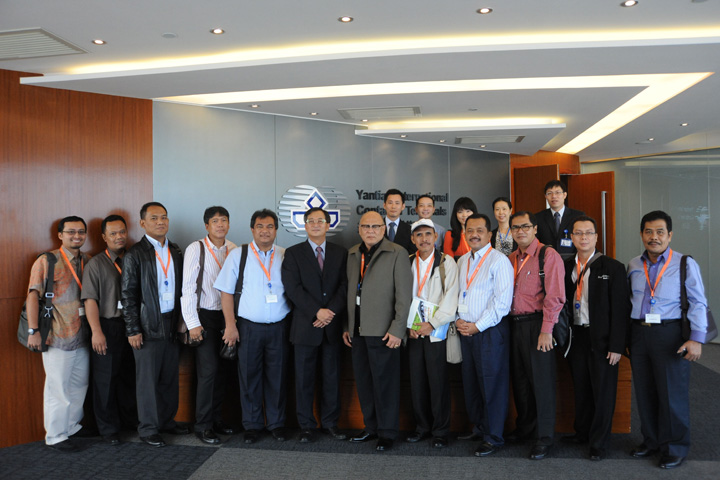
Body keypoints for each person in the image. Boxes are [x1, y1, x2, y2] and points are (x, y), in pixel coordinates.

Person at [627, 210, 711, 469]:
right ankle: (651, 441)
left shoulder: (684, 263)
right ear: (642, 234)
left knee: (671, 393)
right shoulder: (632, 265)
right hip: (640, 334)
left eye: (660, 232)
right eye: (649, 232)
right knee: (645, 392)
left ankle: (675, 446)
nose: (654, 237)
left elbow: (698, 301)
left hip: (670, 333)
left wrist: (696, 338)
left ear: (670, 235)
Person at [214, 209, 291, 444]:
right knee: (249, 376)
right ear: (252, 229)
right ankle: (252, 425)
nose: (265, 231)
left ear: (276, 230)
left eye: (269, 226)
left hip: (279, 326)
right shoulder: (239, 255)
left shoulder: (285, 255)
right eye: (260, 226)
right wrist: (230, 326)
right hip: (248, 327)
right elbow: (226, 293)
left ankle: (277, 424)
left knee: (277, 377)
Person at [562, 215, 630, 461]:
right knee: (581, 388)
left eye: (588, 233)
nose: (583, 237)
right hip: (576, 335)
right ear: (571, 237)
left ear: (596, 237)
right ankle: (583, 433)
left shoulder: (612, 267)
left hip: (602, 339)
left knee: (603, 392)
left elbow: (621, 310)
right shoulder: (567, 265)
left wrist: (616, 345)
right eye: (578, 233)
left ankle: (599, 443)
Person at [344, 211, 412, 452]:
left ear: (383, 229)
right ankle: (371, 427)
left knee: (386, 385)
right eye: (365, 226)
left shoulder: (397, 252)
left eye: (375, 226)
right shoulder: (353, 254)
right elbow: (349, 294)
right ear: (359, 229)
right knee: (364, 382)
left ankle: (387, 431)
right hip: (358, 332)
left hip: (384, 332)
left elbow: (405, 297)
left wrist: (397, 330)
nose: (370, 230)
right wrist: (347, 326)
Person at [122, 202, 188, 447]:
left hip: (172, 322)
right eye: (154, 218)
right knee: (147, 381)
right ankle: (148, 428)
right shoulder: (135, 254)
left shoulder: (176, 250)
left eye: (164, 217)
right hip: (147, 324)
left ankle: (167, 422)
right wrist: (133, 329)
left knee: (169, 377)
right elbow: (127, 295)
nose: (161, 222)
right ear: (142, 223)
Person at [282, 207, 348, 443]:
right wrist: (316, 311)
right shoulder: (293, 253)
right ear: (305, 225)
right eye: (311, 221)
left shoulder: (341, 253)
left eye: (321, 221)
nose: (316, 224)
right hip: (305, 327)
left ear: (328, 225)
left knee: (332, 378)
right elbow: (292, 288)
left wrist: (330, 312)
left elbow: (345, 286)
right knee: (303, 380)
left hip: (331, 326)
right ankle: (306, 426)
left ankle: (331, 423)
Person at [26, 216, 91, 452]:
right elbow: (33, 295)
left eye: (81, 232)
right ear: (60, 235)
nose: (77, 236)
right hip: (57, 335)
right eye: (71, 232)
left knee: (79, 385)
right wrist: (34, 331)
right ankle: (55, 435)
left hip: (82, 336)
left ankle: (71, 426)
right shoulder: (47, 260)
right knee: (57, 388)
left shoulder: (87, 260)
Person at [506, 211, 565, 460]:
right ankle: (526, 429)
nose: (521, 231)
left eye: (525, 226)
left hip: (538, 325)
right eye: (516, 227)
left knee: (541, 384)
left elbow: (555, 296)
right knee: (520, 382)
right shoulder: (510, 259)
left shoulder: (547, 255)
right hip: (513, 326)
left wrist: (546, 330)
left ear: (535, 229)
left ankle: (544, 437)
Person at [454, 214, 513, 457]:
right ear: (465, 233)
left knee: (492, 384)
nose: (474, 234)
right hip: (465, 330)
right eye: (470, 230)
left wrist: (477, 326)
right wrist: (458, 318)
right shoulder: (462, 261)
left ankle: (494, 437)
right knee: (472, 384)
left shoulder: (499, 261)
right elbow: (459, 294)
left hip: (488, 331)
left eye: (480, 230)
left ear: (490, 235)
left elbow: (502, 303)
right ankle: (479, 427)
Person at [180, 206, 238, 445]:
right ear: (207, 226)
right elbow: (187, 288)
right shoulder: (197, 248)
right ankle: (202, 425)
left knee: (224, 371)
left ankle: (216, 419)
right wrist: (192, 323)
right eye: (215, 221)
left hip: (227, 317)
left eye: (224, 220)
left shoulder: (234, 249)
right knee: (208, 371)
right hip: (204, 317)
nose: (220, 225)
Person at [81, 215, 137, 446]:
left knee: (128, 377)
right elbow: (90, 301)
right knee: (105, 379)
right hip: (108, 326)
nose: (119, 237)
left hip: (132, 326)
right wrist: (97, 332)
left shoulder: (133, 259)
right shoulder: (96, 264)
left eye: (122, 232)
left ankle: (129, 422)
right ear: (104, 237)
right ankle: (108, 429)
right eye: (113, 233)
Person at [405, 219, 458, 449]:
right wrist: (407, 326)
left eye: (428, 234)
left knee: (438, 382)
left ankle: (440, 431)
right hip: (413, 331)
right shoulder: (407, 262)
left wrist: (432, 323)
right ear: (412, 239)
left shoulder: (447, 263)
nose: (424, 239)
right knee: (417, 382)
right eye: (419, 235)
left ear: (435, 237)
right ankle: (422, 427)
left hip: (436, 331)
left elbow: (451, 299)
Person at [535, 180, 584, 260]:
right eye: (549, 193)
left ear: (565, 195)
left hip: (572, 260)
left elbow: (582, 238)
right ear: (545, 196)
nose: (554, 196)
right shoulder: (538, 217)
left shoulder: (578, 216)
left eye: (557, 192)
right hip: (547, 261)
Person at [383, 188, 415, 254]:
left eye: (397, 203)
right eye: (390, 203)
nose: (393, 206)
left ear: (403, 206)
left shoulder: (409, 230)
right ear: (384, 205)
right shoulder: (376, 227)